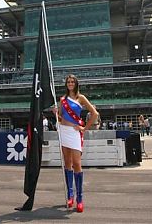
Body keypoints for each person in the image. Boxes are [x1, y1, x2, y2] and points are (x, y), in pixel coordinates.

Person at [56, 74, 98, 212]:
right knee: (67, 163)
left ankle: (80, 198)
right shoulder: (63, 99)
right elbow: (60, 117)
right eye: (68, 81)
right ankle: (70, 195)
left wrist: (84, 128)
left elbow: (94, 114)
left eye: (72, 81)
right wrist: (56, 112)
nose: (70, 83)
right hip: (63, 131)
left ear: (76, 83)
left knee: (77, 164)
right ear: (66, 84)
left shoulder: (81, 98)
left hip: (74, 133)